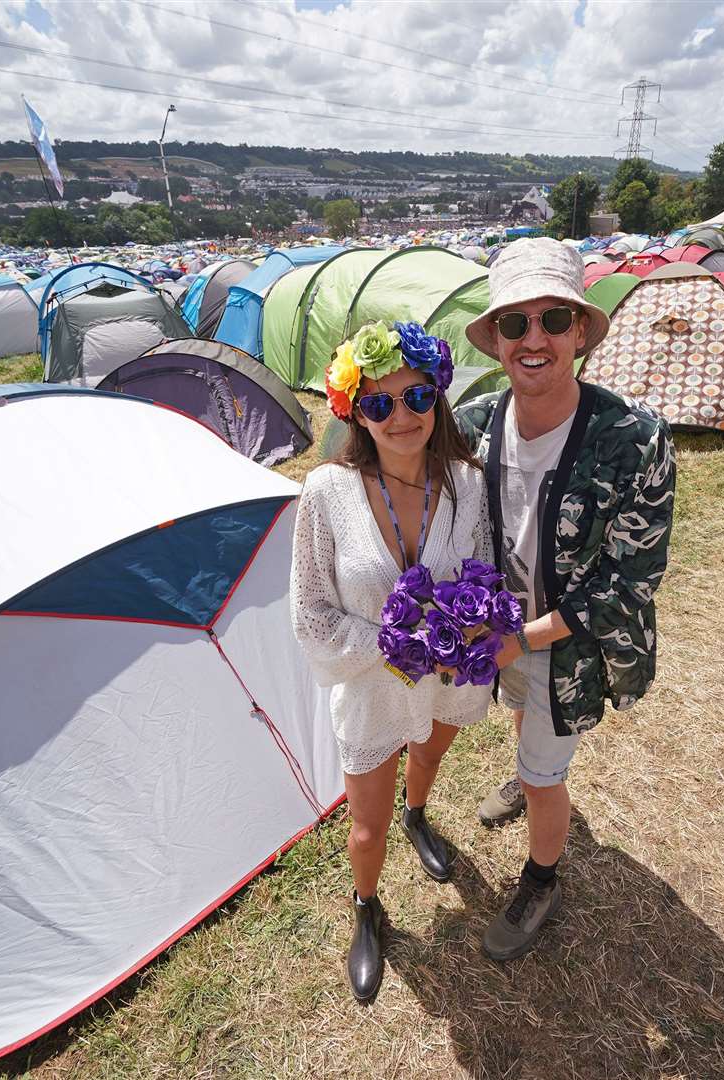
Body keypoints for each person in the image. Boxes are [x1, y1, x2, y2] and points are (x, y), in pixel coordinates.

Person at [455, 238, 676, 962]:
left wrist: (524, 638)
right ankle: (525, 774)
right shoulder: (480, 422)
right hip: (505, 633)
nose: (535, 338)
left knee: (548, 772)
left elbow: (628, 582)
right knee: (523, 720)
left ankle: (542, 878)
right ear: (496, 341)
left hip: (570, 647)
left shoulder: (632, 440)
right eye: (514, 325)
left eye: (553, 318)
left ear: (581, 330)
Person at [289, 319, 492, 1002]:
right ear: (353, 410)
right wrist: (392, 642)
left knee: (430, 758)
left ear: (439, 395)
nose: (400, 415)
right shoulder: (326, 493)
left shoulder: (467, 482)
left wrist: (467, 625)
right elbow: (310, 612)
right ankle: (366, 910)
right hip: (370, 688)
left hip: (444, 678)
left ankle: (421, 812)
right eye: (378, 403)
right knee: (365, 830)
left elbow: (485, 571)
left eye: (416, 396)